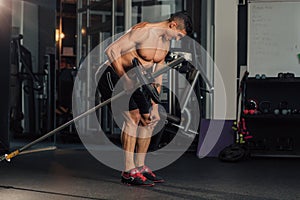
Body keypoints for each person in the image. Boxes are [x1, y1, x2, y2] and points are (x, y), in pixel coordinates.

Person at [97, 11, 193, 186]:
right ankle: (128, 171)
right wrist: (124, 79)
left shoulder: (166, 42)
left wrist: (155, 104)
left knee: (149, 120)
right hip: (112, 75)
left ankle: (140, 167)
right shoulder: (144, 31)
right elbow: (111, 50)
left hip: (135, 80)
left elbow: (158, 72)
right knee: (132, 118)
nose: (178, 39)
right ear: (173, 25)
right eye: (179, 35)